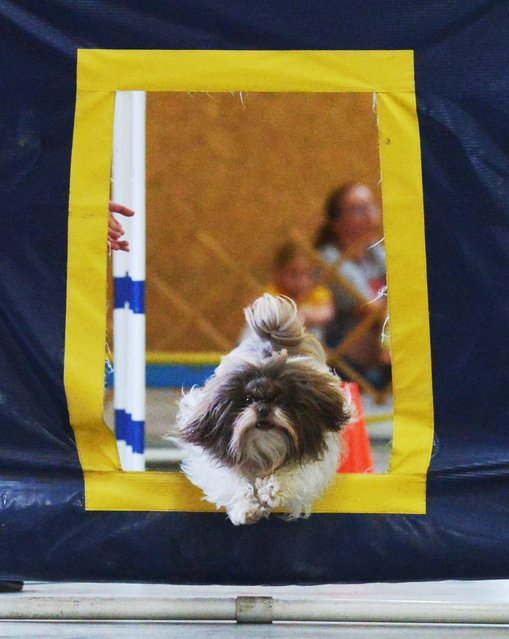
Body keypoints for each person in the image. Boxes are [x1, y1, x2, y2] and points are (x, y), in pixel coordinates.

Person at [314, 183, 390, 388]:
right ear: (337, 223)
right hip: (345, 359)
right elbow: (370, 308)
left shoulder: (376, 253)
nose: (369, 215)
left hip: (381, 355)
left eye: (371, 206)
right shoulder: (330, 260)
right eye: (358, 209)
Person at [265, 241, 334, 342]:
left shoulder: (316, 292)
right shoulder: (273, 292)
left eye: (307, 275)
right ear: (277, 273)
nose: (301, 282)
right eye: (294, 275)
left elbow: (327, 313)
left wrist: (309, 314)